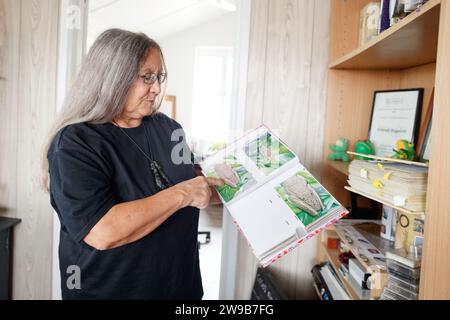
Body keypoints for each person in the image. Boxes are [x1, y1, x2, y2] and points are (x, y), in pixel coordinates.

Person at [41, 29, 224, 299]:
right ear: (113, 77)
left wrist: (239, 185)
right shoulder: (75, 142)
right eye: (147, 77)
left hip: (180, 289)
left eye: (159, 77)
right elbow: (102, 231)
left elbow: (195, 185)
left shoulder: (169, 129)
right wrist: (183, 194)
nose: (158, 88)